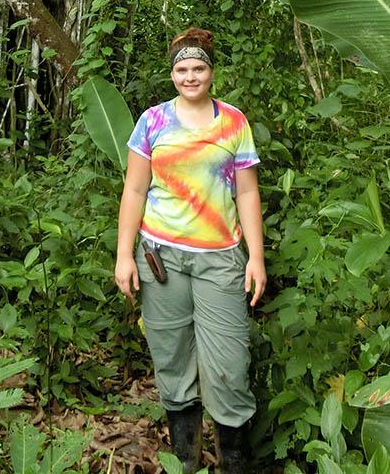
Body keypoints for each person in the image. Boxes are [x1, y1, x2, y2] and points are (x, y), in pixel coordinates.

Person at [114, 27, 266, 473]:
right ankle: (186, 460)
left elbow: (246, 193)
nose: (190, 76)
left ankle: (233, 461)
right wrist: (124, 255)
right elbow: (134, 189)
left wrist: (256, 257)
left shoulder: (233, 122)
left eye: (199, 68)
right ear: (172, 74)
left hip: (220, 258)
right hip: (161, 258)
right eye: (182, 69)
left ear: (211, 72)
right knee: (172, 359)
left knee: (229, 365)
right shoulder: (152, 122)